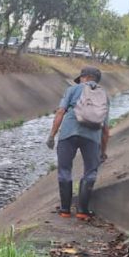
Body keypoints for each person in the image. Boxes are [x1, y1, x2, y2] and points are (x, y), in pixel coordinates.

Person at [47, 66, 109, 221]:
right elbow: (106, 128)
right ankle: (82, 211)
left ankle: (65, 210)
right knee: (90, 172)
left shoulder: (72, 90)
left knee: (65, 170)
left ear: (85, 77)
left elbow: (60, 112)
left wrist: (52, 135)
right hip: (92, 137)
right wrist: (103, 150)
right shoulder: (104, 95)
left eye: (81, 78)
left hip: (68, 133)